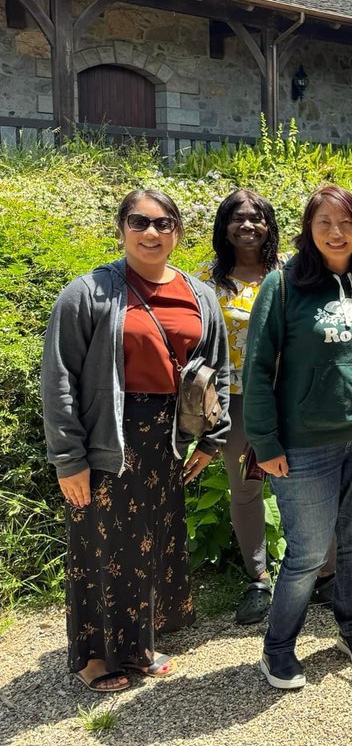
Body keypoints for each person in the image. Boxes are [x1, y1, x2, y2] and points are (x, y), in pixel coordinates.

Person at [42, 189, 230, 693]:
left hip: (168, 440)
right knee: (100, 546)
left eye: (163, 223)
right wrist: (69, 458)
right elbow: (59, 379)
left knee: (150, 545)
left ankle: (137, 646)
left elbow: (218, 370)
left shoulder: (198, 294)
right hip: (107, 439)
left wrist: (213, 438)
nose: (151, 232)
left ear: (178, 232)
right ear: (121, 228)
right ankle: (94, 657)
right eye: (139, 222)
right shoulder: (87, 293)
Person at [244, 185, 352, 689]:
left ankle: (351, 626)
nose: (336, 232)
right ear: (309, 229)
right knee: (308, 552)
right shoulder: (283, 284)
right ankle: (278, 647)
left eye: (346, 223)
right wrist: (266, 442)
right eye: (324, 223)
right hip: (305, 444)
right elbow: (257, 368)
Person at [195, 188, 287, 625]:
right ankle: (258, 578)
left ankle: (320, 571)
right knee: (246, 487)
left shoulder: (290, 272)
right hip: (233, 400)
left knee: (301, 481)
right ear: (224, 226)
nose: (247, 225)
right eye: (237, 217)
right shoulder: (204, 280)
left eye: (257, 217)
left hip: (288, 396)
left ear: (269, 225)